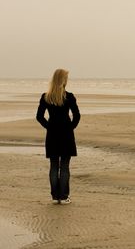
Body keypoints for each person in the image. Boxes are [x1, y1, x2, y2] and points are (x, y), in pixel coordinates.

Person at [36, 69, 81, 205]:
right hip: (66, 134)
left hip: (52, 134)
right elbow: (77, 115)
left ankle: (56, 197)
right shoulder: (69, 96)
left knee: (54, 165)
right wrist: (70, 127)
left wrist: (49, 126)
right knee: (65, 166)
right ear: (63, 80)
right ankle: (64, 196)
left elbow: (39, 117)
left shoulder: (46, 96)